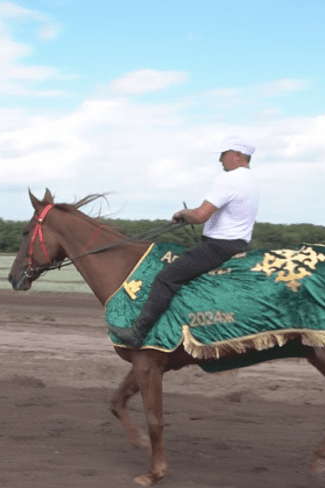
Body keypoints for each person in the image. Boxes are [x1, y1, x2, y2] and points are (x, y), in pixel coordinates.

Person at [109, 135, 260, 349]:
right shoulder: (251, 181)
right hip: (237, 245)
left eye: (223, 154)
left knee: (166, 278)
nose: (220, 160)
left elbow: (200, 216)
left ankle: (137, 333)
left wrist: (183, 213)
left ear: (237, 156)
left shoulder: (229, 180)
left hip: (217, 247)